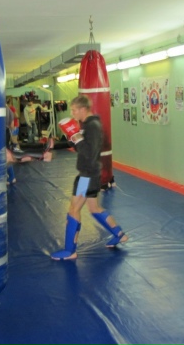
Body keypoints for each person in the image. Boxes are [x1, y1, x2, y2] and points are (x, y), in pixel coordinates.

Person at [51, 95, 127, 261]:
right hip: (91, 173)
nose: (72, 113)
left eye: (74, 110)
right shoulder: (87, 125)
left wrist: (76, 137)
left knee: (74, 209)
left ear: (83, 109)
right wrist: (59, 143)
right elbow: (78, 145)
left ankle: (70, 251)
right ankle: (119, 234)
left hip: (87, 175)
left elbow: (89, 152)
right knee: (94, 208)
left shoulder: (92, 126)